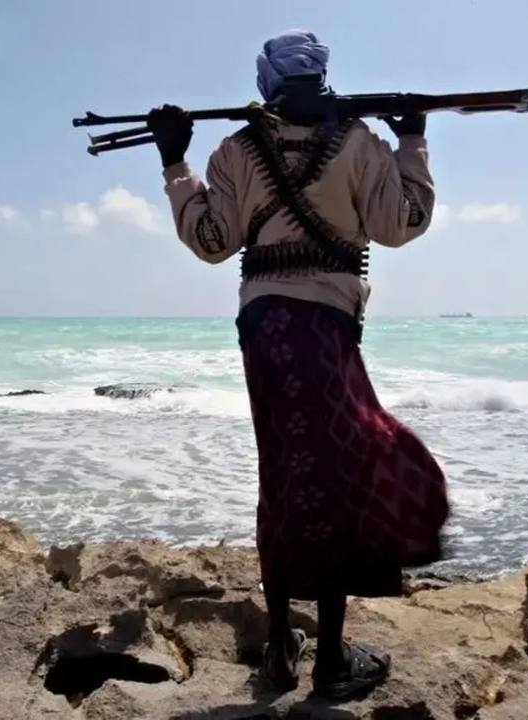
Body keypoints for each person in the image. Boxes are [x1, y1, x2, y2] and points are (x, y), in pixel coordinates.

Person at [147, 30, 449, 701]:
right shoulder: (361, 143)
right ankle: (332, 660)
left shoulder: (234, 150)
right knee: (335, 476)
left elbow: (212, 241)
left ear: (266, 82)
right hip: (327, 328)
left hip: (264, 329)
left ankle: (280, 650)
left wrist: (175, 162)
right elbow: (401, 224)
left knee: (282, 477)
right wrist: (412, 140)